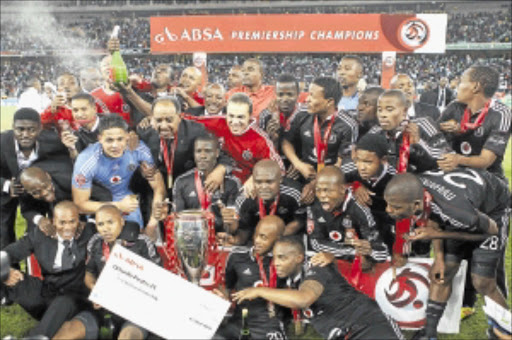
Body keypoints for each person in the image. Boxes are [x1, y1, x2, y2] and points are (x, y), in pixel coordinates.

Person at [384, 172, 510, 340]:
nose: (389, 210)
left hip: (492, 213)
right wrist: (440, 258)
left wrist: (438, 234)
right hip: (462, 205)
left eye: (396, 207)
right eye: (388, 204)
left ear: (415, 205)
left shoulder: (457, 212)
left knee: (482, 281)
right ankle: (428, 334)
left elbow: (490, 233)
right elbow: (432, 215)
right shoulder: (414, 189)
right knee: (441, 274)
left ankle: (505, 332)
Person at [232, 236, 404, 340]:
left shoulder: (316, 267)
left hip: (369, 326)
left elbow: (304, 299)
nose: (276, 263)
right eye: (275, 258)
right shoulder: (289, 280)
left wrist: (260, 291)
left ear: (299, 258)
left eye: (282, 258)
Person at [54, 205, 160, 340]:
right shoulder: (95, 242)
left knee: (128, 337)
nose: (105, 229)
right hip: (101, 309)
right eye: (100, 224)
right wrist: (96, 290)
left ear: (122, 221)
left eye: (111, 222)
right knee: (66, 332)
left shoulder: (142, 243)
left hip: (134, 312)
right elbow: (89, 272)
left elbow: (156, 281)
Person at [2, 201, 95, 338]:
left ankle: (37, 336)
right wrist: (6, 272)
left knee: (65, 300)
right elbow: (7, 253)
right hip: (47, 293)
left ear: (79, 220)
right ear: (53, 221)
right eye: (62, 222)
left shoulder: (89, 232)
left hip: (75, 299)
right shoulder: (40, 235)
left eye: (72, 221)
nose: (68, 227)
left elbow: (113, 225)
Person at [72, 114, 166, 234]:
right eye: (109, 140)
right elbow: (80, 205)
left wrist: (152, 224)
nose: (115, 145)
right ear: (100, 138)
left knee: (136, 238)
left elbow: (159, 187)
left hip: (128, 199)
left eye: (120, 139)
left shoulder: (138, 149)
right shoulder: (86, 160)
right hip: (99, 202)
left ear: (127, 136)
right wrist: (118, 206)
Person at [282, 77, 357, 203]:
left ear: (329, 102)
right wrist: (298, 164)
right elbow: (286, 141)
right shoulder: (302, 113)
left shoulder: (348, 125)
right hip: (303, 173)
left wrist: (316, 183)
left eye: (312, 96)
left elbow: (342, 162)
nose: (307, 99)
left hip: (331, 180)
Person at [0, 108, 66, 249]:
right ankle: (10, 266)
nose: (25, 135)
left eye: (31, 130)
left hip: (38, 191)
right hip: (8, 188)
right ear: (13, 127)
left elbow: (64, 164)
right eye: (20, 129)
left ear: (40, 128)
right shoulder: (1, 142)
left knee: (37, 228)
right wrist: (6, 186)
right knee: (3, 230)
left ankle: (36, 259)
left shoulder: (53, 141)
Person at [214, 216, 287, 340]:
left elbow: (295, 296)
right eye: (256, 235)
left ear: (278, 239)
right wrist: (223, 297)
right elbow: (227, 287)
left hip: (268, 325)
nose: (257, 240)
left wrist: (262, 292)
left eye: (263, 237)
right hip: (238, 322)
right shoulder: (237, 256)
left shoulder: (285, 261)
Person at [299, 166, 388, 268]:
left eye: (327, 190)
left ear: (342, 189)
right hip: (331, 259)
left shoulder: (359, 208)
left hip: (357, 266)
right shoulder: (315, 204)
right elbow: (316, 243)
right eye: (318, 190)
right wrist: (352, 253)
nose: (322, 195)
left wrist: (369, 250)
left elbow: (382, 253)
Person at [137, 96, 229, 194]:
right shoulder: (144, 132)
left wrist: (220, 171)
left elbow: (223, 157)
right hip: (155, 190)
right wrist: (140, 170)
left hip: (188, 189)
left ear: (180, 117)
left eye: (169, 120)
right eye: (158, 120)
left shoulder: (196, 131)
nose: (163, 126)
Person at [438, 65, 511, 183]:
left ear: (475, 87)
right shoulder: (454, 106)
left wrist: (458, 159)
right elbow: (433, 137)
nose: (457, 86)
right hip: (455, 175)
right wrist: (444, 129)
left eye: (461, 81)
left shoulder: (501, 114)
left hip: (488, 180)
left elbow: (485, 161)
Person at [193, 93, 284, 186]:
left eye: (240, 117)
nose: (235, 122)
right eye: (231, 116)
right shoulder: (218, 122)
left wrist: (255, 179)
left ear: (250, 116)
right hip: (217, 179)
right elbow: (187, 120)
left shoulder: (260, 140)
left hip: (245, 188)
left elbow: (279, 168)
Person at [223, 159, 304, 246]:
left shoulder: (295, 193)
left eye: (269, 182)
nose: (264, 187)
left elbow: (299, 221)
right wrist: (236, 240)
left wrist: (274, 238)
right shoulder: (245, 199)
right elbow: (245, 229)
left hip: (286, 239)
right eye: (259, 182)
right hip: (257, 241)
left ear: (280, 179)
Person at [368, 89, 451, 172]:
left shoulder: (424, 124)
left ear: (404, 111)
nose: (383, 115)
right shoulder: (375, 132)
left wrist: (418, 144)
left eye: (389, 109)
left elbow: (446, 159)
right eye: (379, 110)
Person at [173, 134, 241, 233]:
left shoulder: (232, 183)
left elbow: (233, 227)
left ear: (217, 153)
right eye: (198, 151)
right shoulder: (182, 181)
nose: (203, 156)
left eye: (208, 151)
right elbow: (177, 221)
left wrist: (229, 219)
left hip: (221, 239)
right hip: (191, 237)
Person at [341, 133, 396, 251]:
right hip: (363, 222)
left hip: (389, 219)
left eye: (368, 162)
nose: (361, 167)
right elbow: (330, 182)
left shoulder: (396, 175)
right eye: (358, 160)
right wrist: (355, 185)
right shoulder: (350, 168)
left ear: (383, 160)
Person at [258, 73, 300, 163]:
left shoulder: (305, 115)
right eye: (280, 95)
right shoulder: (265, 115)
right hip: (273, 161)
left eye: (290, 94)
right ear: (275, 94)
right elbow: (260, 148)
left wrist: (298, 163)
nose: (285, 99)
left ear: (298, 94)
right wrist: (271, 139)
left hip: (298, 162)